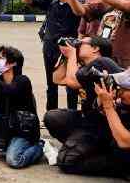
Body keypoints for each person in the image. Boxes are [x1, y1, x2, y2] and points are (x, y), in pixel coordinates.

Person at [44, 36, 126, 176]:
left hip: (104, 126)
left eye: (81, 43)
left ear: (95, 49)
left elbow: (72, 81)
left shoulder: (103, 62)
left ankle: (117, 164)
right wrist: (65, 56)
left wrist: (71, 55)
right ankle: (81, 146)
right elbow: (57, 78)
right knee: (52, 117)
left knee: (66, 161)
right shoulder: (83, 65)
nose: (78, 44)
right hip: (88, 119)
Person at [0, 46, 44, 169]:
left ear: (12, 63)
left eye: (1, 58)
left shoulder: (23, 80)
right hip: (6, 127)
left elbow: (9, 91)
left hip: (22, 131)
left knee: (14, 160)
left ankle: (39, 146)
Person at [22, 0, 80, 111]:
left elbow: (78, 11)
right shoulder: (51, 1)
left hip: (68, 49)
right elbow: (27, 1)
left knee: (71, 85)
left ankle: (72, 115)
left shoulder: (76, 4)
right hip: (50, 47)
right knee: (51, 84)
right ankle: (51, 115)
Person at [66, 0, 130, 68]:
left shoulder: (123, 3)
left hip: (125, 62)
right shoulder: (107, 2)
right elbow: (81, 11)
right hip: (104, 58)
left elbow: (124, 5)